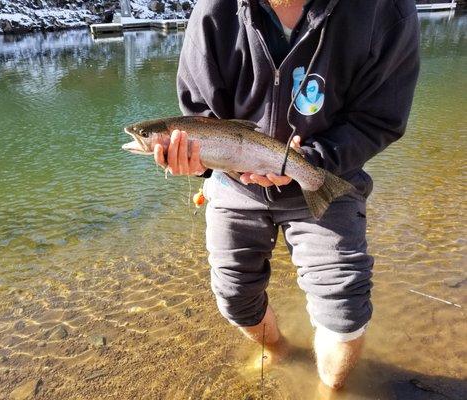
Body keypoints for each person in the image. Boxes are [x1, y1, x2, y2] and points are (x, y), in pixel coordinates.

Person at [154, 0, 420, 390]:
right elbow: (201, 115)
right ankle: (277, 349)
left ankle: (330, 388)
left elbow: (380, 117)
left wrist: (312, 161)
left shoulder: (387, 10)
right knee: (235, 298)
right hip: (235, 184)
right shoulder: (214, 10)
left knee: (343, 311)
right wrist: (198, 163)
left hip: (325, 171)